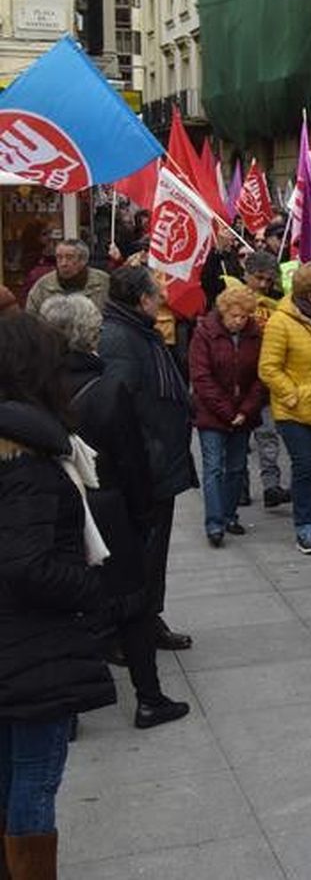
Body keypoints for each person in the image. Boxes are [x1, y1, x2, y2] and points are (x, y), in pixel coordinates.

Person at [0, 314, 119, 876]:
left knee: (12, 773)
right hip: (30, 646)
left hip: (17, 644)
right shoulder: (26, 459)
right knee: (34, 776)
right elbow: (26, 564)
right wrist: (91, 587)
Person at [41, 296, 189, 731]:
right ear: (91, 335)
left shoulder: (36, 386)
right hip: (107, 506)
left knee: (71, 607)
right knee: (131, 605)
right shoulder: (107, 389)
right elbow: (131, 459)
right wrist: (142, 514)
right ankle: (149, 699)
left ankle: (70, 711)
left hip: (58, 507)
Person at [98, 266, 197, 649]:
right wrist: (146, 455)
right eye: (157, 293)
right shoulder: (121, 339)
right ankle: (125, 631)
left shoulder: (140, 332)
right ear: (142, 300)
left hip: (157, 463)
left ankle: (147, 620)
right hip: (142, 468)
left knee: (152, 553)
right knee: (136, 554)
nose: (163, 298)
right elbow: (118, 409)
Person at [259, 262, 311, 555]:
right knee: (305, 466)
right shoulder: (280, 322)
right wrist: (291, 394)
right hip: (294, 411)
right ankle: (303, 524)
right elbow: (268, 368)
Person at [188, 286, 267, 547]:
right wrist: (227, 411)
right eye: (235, 316)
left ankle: (229, 514)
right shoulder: (205, 334)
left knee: (236, 467)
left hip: (243, 412)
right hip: (212, 412)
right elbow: (201, 377)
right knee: (213, 467)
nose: (239, 321)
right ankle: (214, 523)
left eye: (244, 316)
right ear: (223, 312)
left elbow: (261, 377)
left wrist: (245, 410)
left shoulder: (255, 335)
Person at [236, 250, 288, 508]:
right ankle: (240, 486)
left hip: (266, 377)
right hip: (240, 379)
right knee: (239, 438)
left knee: (268, 435)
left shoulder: (276, 302)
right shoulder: (234, 299)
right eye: (259, 278)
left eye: (269, 280)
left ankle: (271, 485)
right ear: (247, 275)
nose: (264, 284)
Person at [24, 239, 110, 316]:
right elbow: (30, 318)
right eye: (59, 257)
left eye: (69, 257)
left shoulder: (103, 282)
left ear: (83, 260)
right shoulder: (43, 286)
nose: (63, 263)